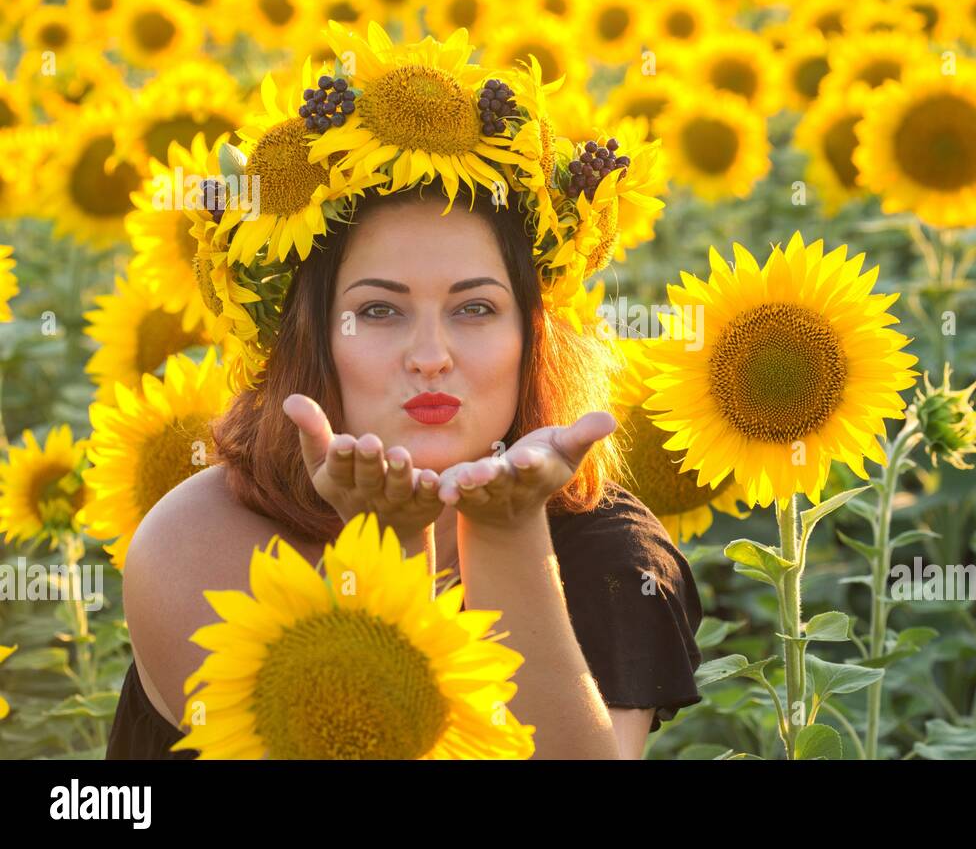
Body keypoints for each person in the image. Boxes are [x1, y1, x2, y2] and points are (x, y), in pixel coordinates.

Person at [105, 182, 704, 760]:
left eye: (475, 307)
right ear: (311, 339)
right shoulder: (199, 540)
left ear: (532, 336)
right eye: (378, 310)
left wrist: (506, 531)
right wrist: (390, 552)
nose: (430, 357)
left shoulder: (615, 561)